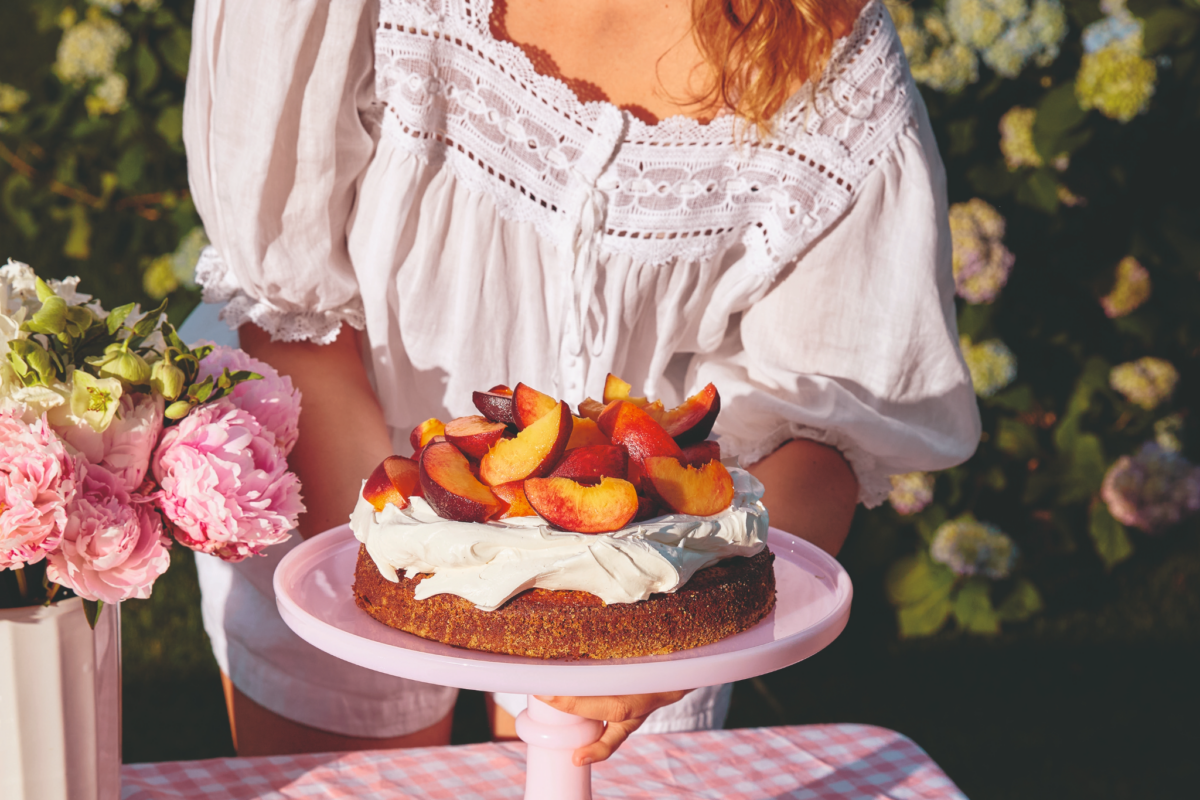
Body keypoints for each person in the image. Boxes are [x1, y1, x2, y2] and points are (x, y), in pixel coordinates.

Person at [181, 0, 981, 764]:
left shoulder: (830, 50)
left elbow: (828, 411)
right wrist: (405, 558)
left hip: (654, 565)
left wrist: (668, 637)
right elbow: (292, 307)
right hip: (339, 482)